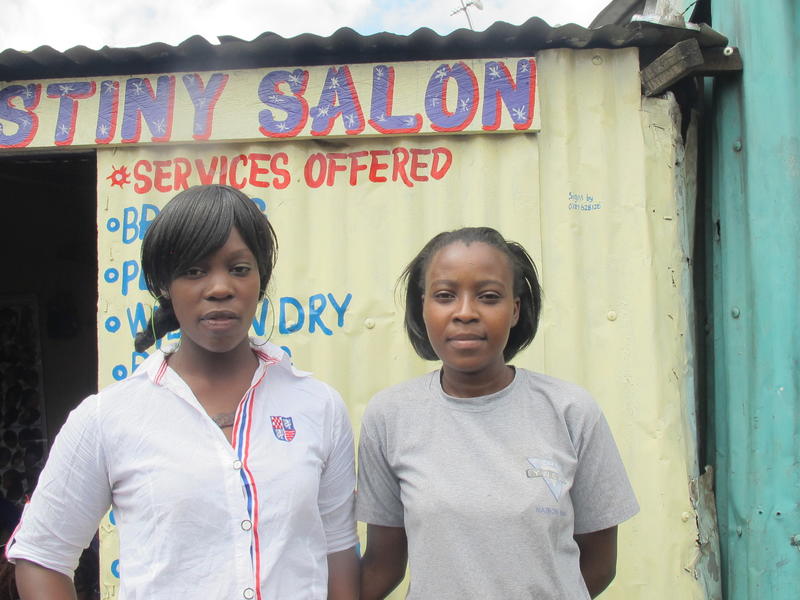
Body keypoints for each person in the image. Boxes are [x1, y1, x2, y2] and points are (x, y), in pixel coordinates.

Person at [7, 184, 359, 599]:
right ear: (165, 286)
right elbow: (42, 557)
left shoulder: (318, 406)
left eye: (239, 268)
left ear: (261, 280)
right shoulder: (108, 417)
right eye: (194, 271)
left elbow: (338, 551)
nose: (219, 287)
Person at [356, 227, 639, 599]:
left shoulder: (571, 412)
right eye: (445, 296)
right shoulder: (390, 417)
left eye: (488, 297)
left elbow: (600, 563)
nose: (465, 313)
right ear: (423, 307)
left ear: (515, 309)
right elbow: (382, 565)